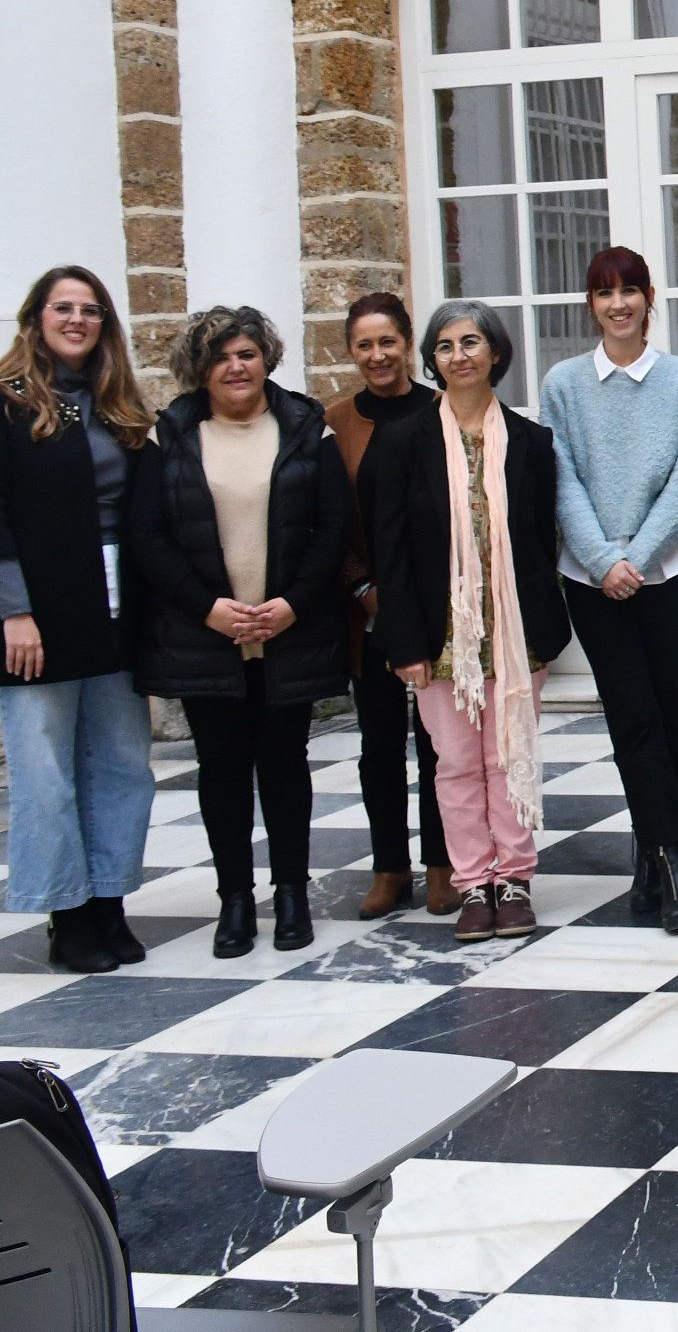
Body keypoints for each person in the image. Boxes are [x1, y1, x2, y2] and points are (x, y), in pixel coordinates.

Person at [131, 307, 354, 957]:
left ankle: (290, 894)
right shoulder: (168, 435)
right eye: (223, 356)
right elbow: (149, 537)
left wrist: (291, 604)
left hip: (288, 630)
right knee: (222, 769)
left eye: (248, 354)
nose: (237, 366)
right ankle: (234, 900)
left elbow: (331, 528)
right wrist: (208, 608)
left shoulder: (304, 428)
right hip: (207, 635)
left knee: (285, 765)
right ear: (201, 368)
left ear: (267, 360)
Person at [365, 301, 573, 944]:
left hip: (513, 633)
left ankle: (514, 879)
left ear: (496, 354)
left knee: (509, 754)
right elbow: (388, 551)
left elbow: (543, 539)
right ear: (432, 360)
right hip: (438, 636)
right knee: (454, 763)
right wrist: (403, 642)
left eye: (472, 342)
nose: (460, 355)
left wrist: (539, 629)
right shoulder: (403, 443)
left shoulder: (532, 442)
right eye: (447, 345)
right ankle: (472, 883)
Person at [539, 247, 678, 934]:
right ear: (591, 304)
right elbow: (562, 478)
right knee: (631, 716)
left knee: (665, 713)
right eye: (605, 293)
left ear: (649, 298)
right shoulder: (563, 384)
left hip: (667, 575)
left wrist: (635, 558)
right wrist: (603, 560)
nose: (618, 304)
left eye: (630, 291)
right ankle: (674, 862)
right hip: (591, 579)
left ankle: (655, 847)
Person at [0, 267, 157, 975]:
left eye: (90, 310)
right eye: (62, 308)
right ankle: (68, 914)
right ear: (35, 319)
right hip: (39, 612)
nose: (77, 319)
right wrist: (13, 610)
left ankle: (109, 901)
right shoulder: (5, 404)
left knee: (120, 763)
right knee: (45, 769)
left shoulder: (116, 405)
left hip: (116, 609)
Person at [327, 294, 453, 920]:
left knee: (440, 742)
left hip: (436, 610)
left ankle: (441, 863)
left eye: (388, 342)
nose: (378, 356)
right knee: (378, 743)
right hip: (367, 609)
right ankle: (388, 867)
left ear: (409, 344)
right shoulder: (335, 423)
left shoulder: (443, 408)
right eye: (364, 345)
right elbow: (330, 523)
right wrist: (365, 590)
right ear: (351, 352)